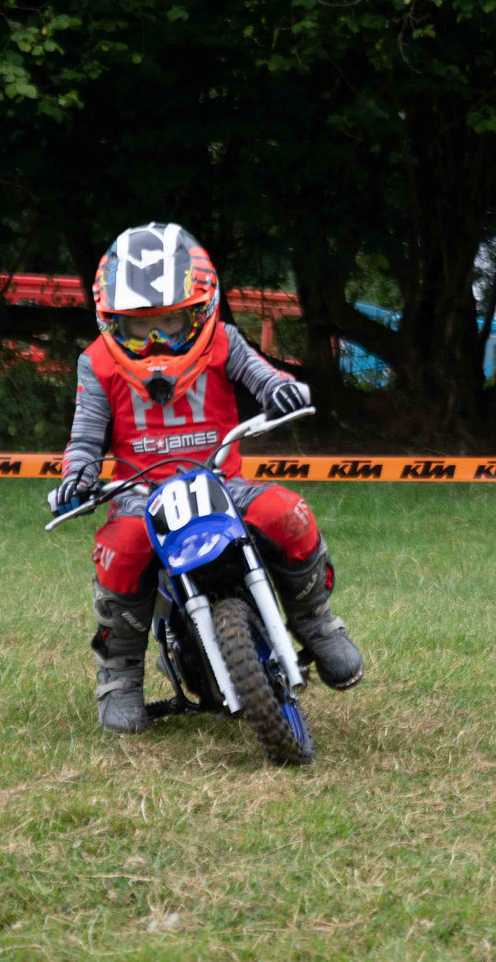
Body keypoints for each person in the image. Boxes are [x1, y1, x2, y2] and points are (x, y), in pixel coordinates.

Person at [56, 222, 363, 733]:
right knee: (120, 548)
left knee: (288, 512)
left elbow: (265, 377)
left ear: (199, 309)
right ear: (110, 321)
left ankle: (315, 620)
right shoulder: (96, 363)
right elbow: (85, 439)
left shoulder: (224, 340)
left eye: (171, 322)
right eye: (138, 327)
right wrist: (77, 477)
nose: (156, 340)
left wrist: (282, 391)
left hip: (223, 484)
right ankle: (120, 672)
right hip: (140, 496)